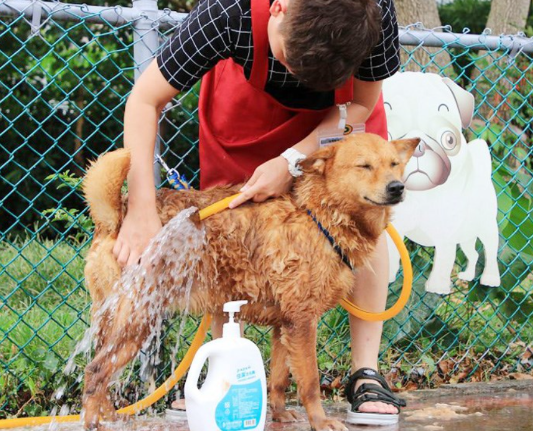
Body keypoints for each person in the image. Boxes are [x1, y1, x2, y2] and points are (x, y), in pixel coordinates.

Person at [113, 0, 406, 424]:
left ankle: (365, 373)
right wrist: (141, 206)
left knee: (362, 214)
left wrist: (291, 160)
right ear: (279, 8)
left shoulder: (375, 10)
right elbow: (144, 100)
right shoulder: (225, 12)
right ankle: (224, 379)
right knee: (229, 230)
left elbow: (361, 105)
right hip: (245, 109)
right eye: (289, 60)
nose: (296, 80)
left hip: (340, 116)